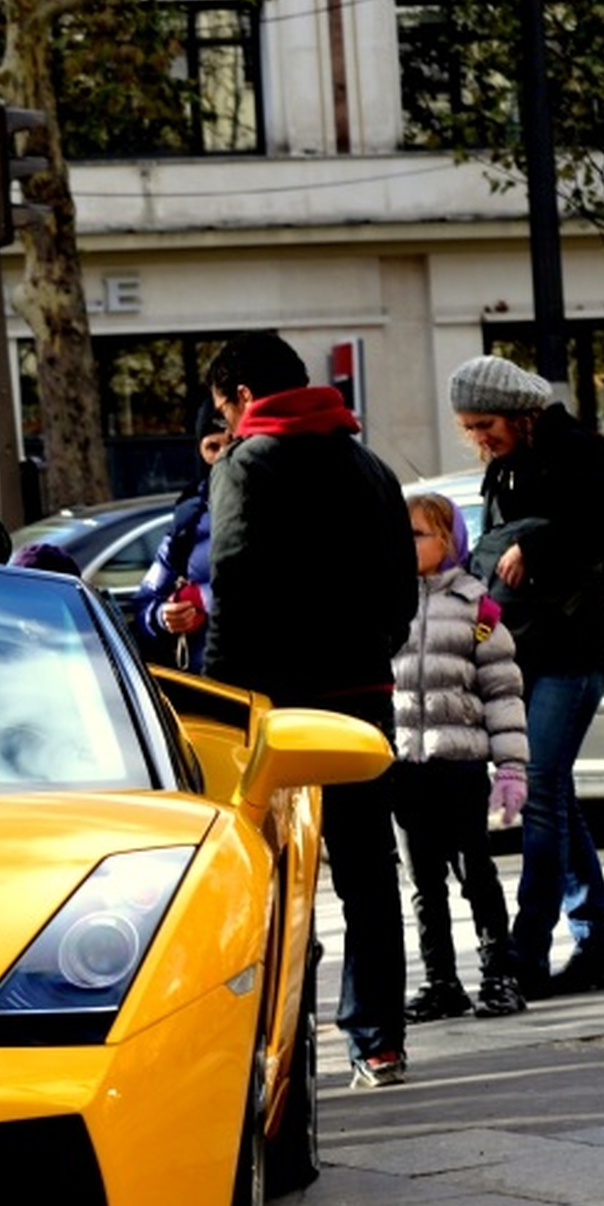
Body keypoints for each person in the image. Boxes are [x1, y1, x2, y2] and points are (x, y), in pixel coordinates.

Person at [199, 331, 416, 1089]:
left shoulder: (246, 464)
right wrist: (369, 652)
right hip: (361, 699)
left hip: (277, 708)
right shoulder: (371, 467)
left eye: (223, 406)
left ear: (243, 398)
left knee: (266, 879)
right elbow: (400, 593)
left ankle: (270, 1043)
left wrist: (221, 697)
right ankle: (378, 1042)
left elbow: (234, 582)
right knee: (368, 872)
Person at [449, 354, 604, 998]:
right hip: (530, 652)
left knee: (539, 796)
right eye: (470, 428)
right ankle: (599, 946)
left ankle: (524, 955)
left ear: (520, 412)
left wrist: (538, 548)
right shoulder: (507, 465)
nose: (479, 437)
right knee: (554, 800)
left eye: (487, 423)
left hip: (571, 654)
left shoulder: (569, 449)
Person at [392, 489, 529, 1023]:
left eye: (418, 534)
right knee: (423, 882)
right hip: (406, 765)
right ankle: (440, 981)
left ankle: (499, 975)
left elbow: (503, 692)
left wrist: (511, 767)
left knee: (476, 872)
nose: (406, 544)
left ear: (448, 541)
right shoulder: (390, 605)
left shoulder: (477, 608)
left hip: (460, 765)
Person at [133, 400, 228, 670]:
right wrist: (164, 616)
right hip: (209, 691)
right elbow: (144, 605)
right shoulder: (190, 516)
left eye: (233, 442)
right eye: (213, 447)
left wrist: (205, 597)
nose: (223, 456)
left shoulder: (277, 507)